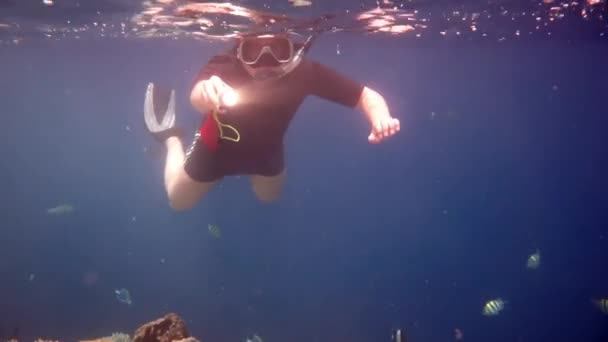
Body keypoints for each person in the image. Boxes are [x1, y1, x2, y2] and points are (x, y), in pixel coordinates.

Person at [144, 33, 400, 210]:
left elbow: (366, 95)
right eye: (253, 50)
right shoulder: (224, 66)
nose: (265, 61)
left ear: (292, 49)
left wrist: (381, 117)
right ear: (239, 49)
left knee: (268, 198)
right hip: (215, 150)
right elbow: (197, 97)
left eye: (277, 50)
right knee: (178, 202)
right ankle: (172, 139)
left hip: (266, 151)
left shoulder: (305, 73)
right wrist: (207, 92)